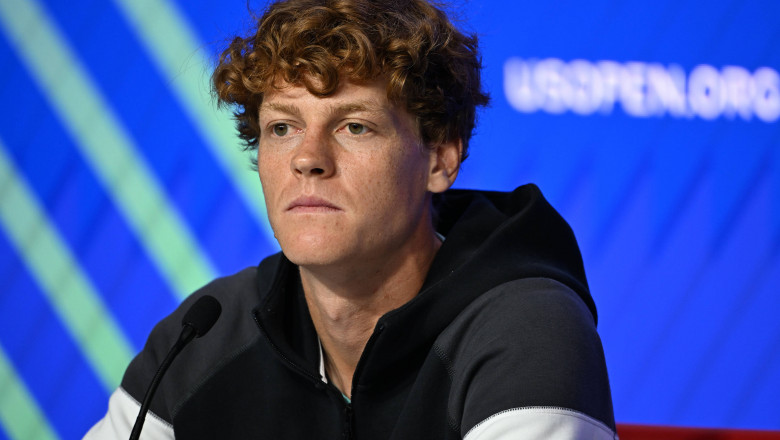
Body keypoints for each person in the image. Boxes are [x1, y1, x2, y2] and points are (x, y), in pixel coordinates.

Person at [85, 0, 617, 438]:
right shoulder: (207, 334)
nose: (307, 157)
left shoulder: (526, 332)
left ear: (440, 158)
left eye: (355, 126)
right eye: (282, 128)